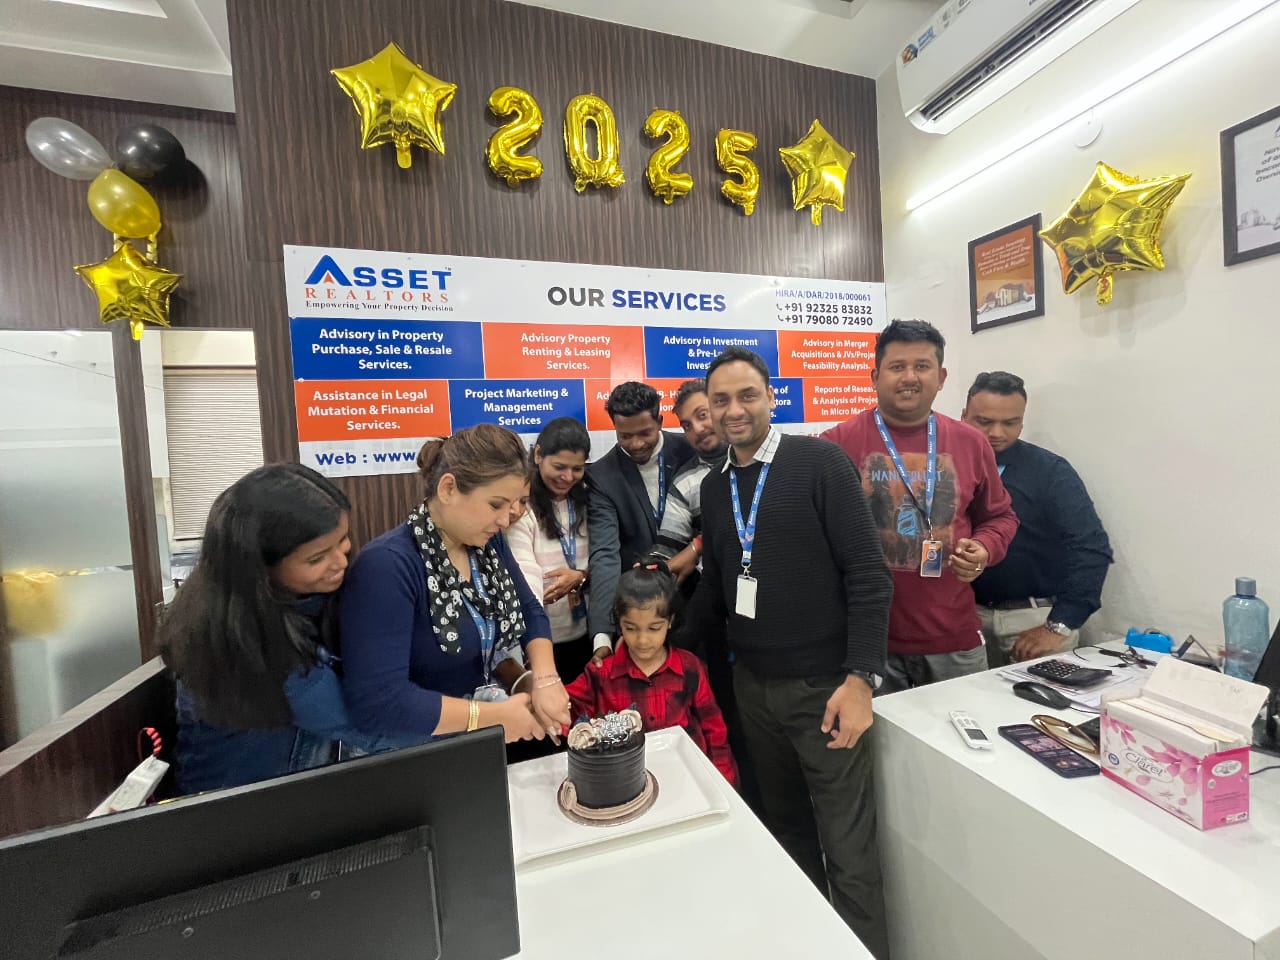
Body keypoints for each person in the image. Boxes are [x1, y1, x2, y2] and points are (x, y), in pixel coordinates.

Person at [683, 346, 893, 959]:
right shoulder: (716, 487)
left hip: (825, 691)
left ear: (772, 398)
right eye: (720, 400)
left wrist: (861, 679)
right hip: (753, 689)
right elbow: (718, 589)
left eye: (747, 395)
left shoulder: (819, 463)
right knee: (787, 837)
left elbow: (869, 575)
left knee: (849, 853)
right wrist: (658, 650)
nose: (734, 410)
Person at [160, 464, 425, 794]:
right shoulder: (249, 644)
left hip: (302, 783)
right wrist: (476, 720)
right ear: (261, 568)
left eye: (343, 540)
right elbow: (371, 727)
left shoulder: (306, 596)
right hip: (243, 810)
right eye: (317, 558)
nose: (341, 562)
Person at [339, 424, 573, 744]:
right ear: (448, 489)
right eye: (496, 504)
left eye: (515, 504)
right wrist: (490, 716)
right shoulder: (387, 566)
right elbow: (380, 704)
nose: (506, 519)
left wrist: (544, 679)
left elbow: (529, 610)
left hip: (470, 742)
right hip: (410, 749)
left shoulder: (486, 545)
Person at [822, 319, 1019, 692]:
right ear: (875, 376)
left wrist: (985, 548)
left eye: (922, 366)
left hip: (953, 639)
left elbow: (1000, 516)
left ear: (941, 377)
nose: (909, 377)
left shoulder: (971, 443)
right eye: (897, 366)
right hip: (868, 642)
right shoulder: (836, 444)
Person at [962, 371, 1114, 666]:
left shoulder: (1050, 471)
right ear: (964, 416)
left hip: (1034, 621)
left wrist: (1059, 624)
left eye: (1010, 423)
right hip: (966, 619)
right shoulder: (944, 467)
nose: (997, 433)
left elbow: (1090, 547)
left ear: (1022, 422)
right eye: (984, 421)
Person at [566, 560, 737, 785]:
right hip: (628, 782)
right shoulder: (600, 674)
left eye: (654, 628)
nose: (643, 640)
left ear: (670, 621)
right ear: (619, 624)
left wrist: (724, 783)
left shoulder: (690, 667)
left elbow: (713, 728)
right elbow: (563, 709)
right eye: (631, 628)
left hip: (688, 778)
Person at [586, 381, 692, 662]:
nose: (636, 444)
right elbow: (605, 555)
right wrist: (602, 635)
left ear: (660, 421)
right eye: (625, 436)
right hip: (641, 614)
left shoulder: (690, 451)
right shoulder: (602, 476)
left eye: (645, 433)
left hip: (697, 599)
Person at [507, 417, 609, 679]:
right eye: (559, 467)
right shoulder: (522, 507)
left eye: (577, 469)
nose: (567, 477)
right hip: (541, 639)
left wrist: (581, 577)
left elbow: (606, 558)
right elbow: (522, 573)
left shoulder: (590, 500)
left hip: (588, 634)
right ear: (538, 455)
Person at [651, 378, 728, 581]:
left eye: (702, 415)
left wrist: (697, 545)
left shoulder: (757, 457)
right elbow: (669, 546)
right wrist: (651, 570)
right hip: (717, 588)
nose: (698, 429)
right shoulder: (685, 482)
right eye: (687, 426)